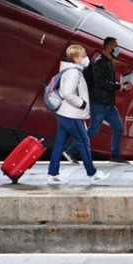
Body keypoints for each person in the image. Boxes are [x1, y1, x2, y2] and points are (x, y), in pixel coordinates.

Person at [48, 45, 109, 185]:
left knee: (59, 144)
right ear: (76, 58)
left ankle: (52, 174)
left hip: (64, 113)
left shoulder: (67, 70)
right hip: (72, 114)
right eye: (83, 56)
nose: (86, 58)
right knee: (84, 141)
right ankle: (92, 173)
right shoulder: (74, 72)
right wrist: (82, 104)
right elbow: (68, 93)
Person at [86, 37, 132, 163]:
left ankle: (115, 155)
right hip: (99, 103)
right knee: (93, 130)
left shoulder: (109, 61)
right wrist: (118, 86)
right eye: (115, 45)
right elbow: (99, 81)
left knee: (118, 127)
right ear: (108, 47)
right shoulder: (100, 62)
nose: (117, 48)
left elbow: (108, 82)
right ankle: (72, 151)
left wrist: (121, 86)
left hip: (108, 104)